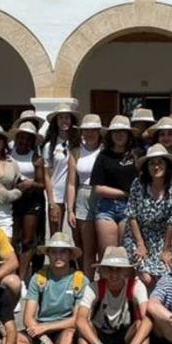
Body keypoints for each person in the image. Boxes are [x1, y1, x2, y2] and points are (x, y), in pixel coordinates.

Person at [18, 232, 87, 344]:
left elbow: (76, 319)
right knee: (9, 339)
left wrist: (46, 329)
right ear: (48, 254)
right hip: (39, 328)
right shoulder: (38, 277)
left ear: (70, 255)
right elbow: (28, 317)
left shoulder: (79, 279)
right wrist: (43, 338)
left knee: (70, 334)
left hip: (62, 328)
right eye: (54, 251)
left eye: (63, 251)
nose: (58, 256)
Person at [126, 144, 172, 288]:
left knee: (164, 276)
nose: (156, 167)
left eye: (160, 162)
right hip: (138, 235)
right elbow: (131, 215)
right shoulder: (137, 184)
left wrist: (166, 250)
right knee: (146, 279)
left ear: (167, 165)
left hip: (163, 237)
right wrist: (140, 244)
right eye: (152, 163)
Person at [91, 116, 140, 254]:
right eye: (115, 132)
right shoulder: (103, 156)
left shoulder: (136, 155)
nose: (119, 135)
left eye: (123, 131)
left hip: (130, 208)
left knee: (128, 253)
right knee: (109, 254)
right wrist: (125, 193)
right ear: (110, 135)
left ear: (128, 134)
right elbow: (98, 188)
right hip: (107, 207)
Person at [66, 114, 104, 274]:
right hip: (83, 195)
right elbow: (71, 183)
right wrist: (70, 209)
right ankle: (87, 284)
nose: (90, 134)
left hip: (103, 195)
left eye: (94, 130)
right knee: (87, 248)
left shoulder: (105, 150)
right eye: (86, 130)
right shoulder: (76, 152)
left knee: (104, 246)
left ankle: (105, 285)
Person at [10, 122, 47, 280]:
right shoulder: (8, 155)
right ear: (17, 137)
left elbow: (42, 184)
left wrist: (31, 184)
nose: (24, 141)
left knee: (27, 239)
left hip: (31, 200)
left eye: (28, 138)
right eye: (21, 137)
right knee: (13, 238)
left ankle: (23, 275)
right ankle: (13, 269)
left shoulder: (36, 158)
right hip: (13, 199)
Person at [43, 104, 77, 233]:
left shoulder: (79, 143)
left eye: (67, 117)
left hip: (76, 194)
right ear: (55, 122)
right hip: (57, 195)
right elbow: (47, 175)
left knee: (77, 235)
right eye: (61, 118)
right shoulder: (49, 146)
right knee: (55, 234)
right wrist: (51, 202)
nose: (64, 121)